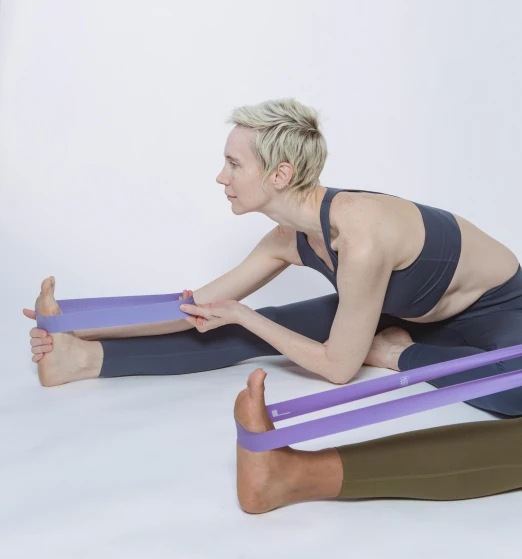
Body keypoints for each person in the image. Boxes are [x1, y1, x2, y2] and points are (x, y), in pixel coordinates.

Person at [24, 97, 522, 510]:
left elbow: (339, 368)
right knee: (246, 326)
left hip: (499, 316)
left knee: (514, 389)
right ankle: (82, 360)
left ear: (280, 174)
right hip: (413, 312)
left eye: (234, 164)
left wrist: (249, 314)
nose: (222, 177)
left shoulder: (361, 236)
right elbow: (197, 305)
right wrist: (77, 323)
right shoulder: (289, 237)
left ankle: (400, 354)